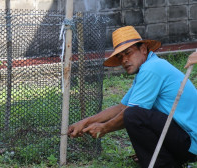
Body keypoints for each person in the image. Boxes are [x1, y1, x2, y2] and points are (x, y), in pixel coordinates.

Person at [68, 26, 197, 168]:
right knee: (132, 113)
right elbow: (121, 107)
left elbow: (131, 112)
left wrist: (104, 128)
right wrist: (85, 122)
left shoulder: (152, 68)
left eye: (128, 53)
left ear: (143, 49)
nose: (124, 60)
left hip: (191, 143)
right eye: (120, 57)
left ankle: (165, 164)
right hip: (184, 138)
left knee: (133, 115)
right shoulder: (149, 67)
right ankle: (160, 156)